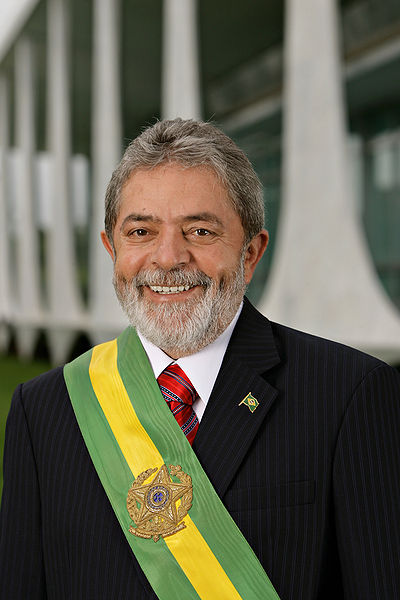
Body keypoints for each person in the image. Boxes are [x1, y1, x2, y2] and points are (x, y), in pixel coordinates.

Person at [0, 118, 399, 600]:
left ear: (251, 253)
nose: (168, 258)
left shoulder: (349, 395)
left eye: (200, 231)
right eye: (141, 231)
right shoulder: (43, 411)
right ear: (111, 249)